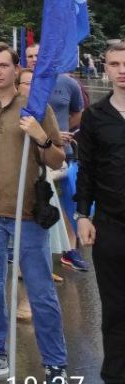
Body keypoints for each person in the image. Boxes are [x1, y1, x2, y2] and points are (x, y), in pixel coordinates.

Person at [0, 43, 67, 382]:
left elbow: (57, 159)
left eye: (4, 65)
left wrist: (41, 138)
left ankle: (55, 362)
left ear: (15, 69)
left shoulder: (36, 107)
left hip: (28, 213)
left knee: (40, 291)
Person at [75, 40, 125, 384]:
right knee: (116, 308)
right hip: (112, 224)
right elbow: (87, 170)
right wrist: (82, 215)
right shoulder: (95, 116)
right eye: (114, 64)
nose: (122, 71)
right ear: (104, 69)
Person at [24, 42, 88, 271]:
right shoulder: (22, 83)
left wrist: (57, 135)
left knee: (65, 203)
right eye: (29, 56)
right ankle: (32, 253)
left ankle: (70, 251)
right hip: (31, 154)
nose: (33, 59)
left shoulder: (68, 83)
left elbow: (78, 113)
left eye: (37, 55)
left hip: (60, 153)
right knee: (32, 204)